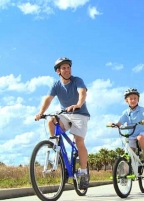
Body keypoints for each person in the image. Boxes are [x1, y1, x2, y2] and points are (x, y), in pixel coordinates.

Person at [35, 57, 90, 189]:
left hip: (80, 114)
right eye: (64, 68)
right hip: (65, 114)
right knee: (51, 121)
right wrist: (41, 112)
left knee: (79, 142)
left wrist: (78, 104)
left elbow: (82, 92)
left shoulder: (77, 80)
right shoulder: (56, 85)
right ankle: (57, 150)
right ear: (58, 71)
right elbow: (48, 99)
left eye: (68, 67)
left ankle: (83, 173)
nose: (67, 70)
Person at [111, 88, 144, 167]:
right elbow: (120, 122)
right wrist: (115, 125)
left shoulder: (141, 109)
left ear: (138, 100)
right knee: (129, 152)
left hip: (142, 131)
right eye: (131, 99)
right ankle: (128, 170)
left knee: (140, 138)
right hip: (132, 133)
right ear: (127, 101)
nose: (133, 100)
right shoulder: (126, 112)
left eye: (135, 98)